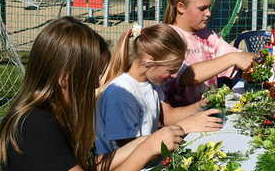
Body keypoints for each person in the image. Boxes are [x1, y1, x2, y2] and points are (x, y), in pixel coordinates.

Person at [0, 17, 185, 171]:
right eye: (92, 75)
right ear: (65, 78)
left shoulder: (57, 113)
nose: (96, 83)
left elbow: (86, 169)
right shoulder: (36, 126)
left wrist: (145, 142)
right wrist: (147, 150)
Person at [95, 23, 224, 155]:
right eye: (170, 70)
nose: (174, 76)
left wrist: (200, 106)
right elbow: (127, 148)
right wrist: (183, 127)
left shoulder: (151, 84)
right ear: (149, 60)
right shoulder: (120, 94)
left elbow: (167, 117)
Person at [163, 0, 255, 106]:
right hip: (182, 118)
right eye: (202, 8)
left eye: (209, 7)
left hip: (207, 112)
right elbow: (186, 77)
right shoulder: (167, 38)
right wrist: (233, 58)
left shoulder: (207, 35)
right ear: (181, 7)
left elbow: (237, 55)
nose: (208, 13)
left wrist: (261, 57)